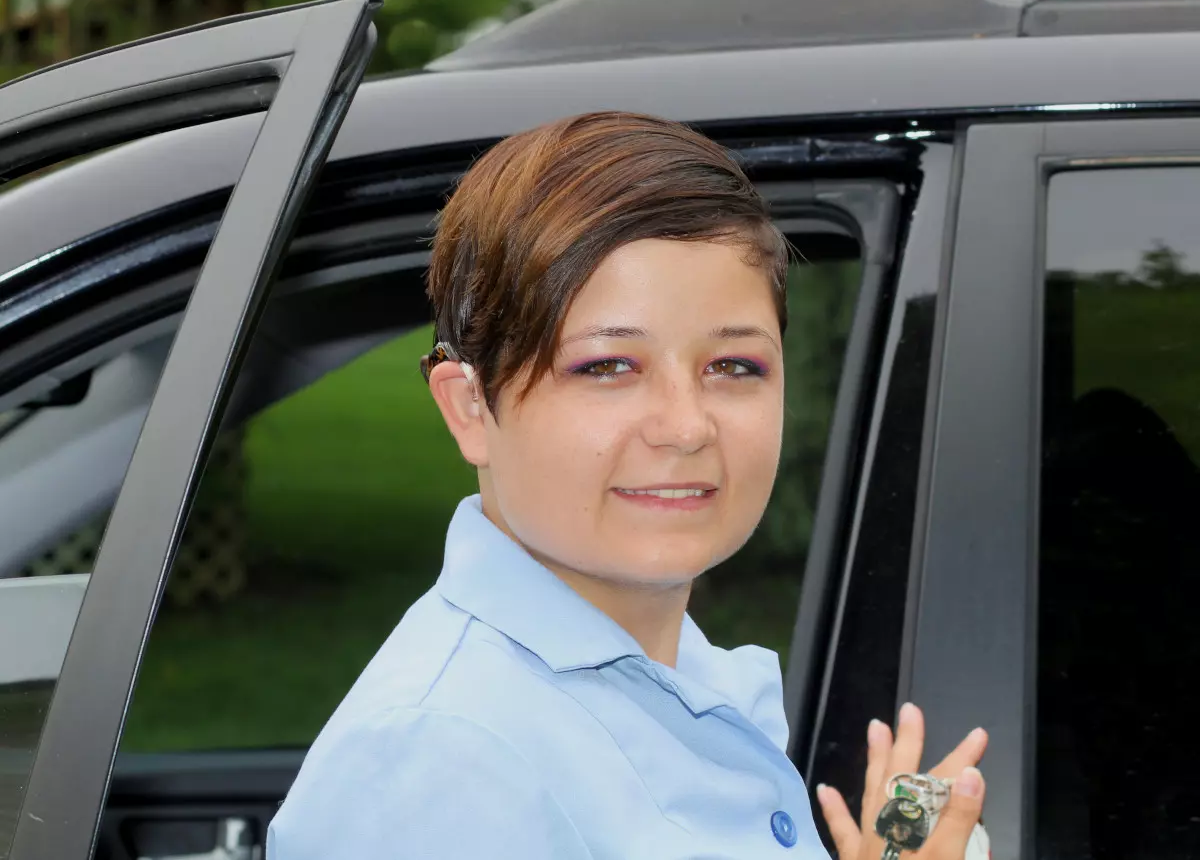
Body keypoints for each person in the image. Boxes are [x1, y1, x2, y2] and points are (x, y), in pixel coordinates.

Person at [267, 111, 988, 859]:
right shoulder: (438, 764)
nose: (685, 426)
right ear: (470, 407)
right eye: (607, 367)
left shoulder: (667, 671)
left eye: (733, 367)